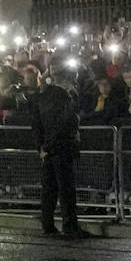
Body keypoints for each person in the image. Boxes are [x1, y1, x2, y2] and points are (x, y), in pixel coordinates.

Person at [25, 66, 83, 239]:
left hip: (47, 149)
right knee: (66, 189)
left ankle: (47, 224)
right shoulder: (63, 96)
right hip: (61, 147)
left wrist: (42, 147)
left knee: (48, 189)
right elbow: (65, 122)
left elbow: (36, 124)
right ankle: (70, 226)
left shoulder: (38, 98)